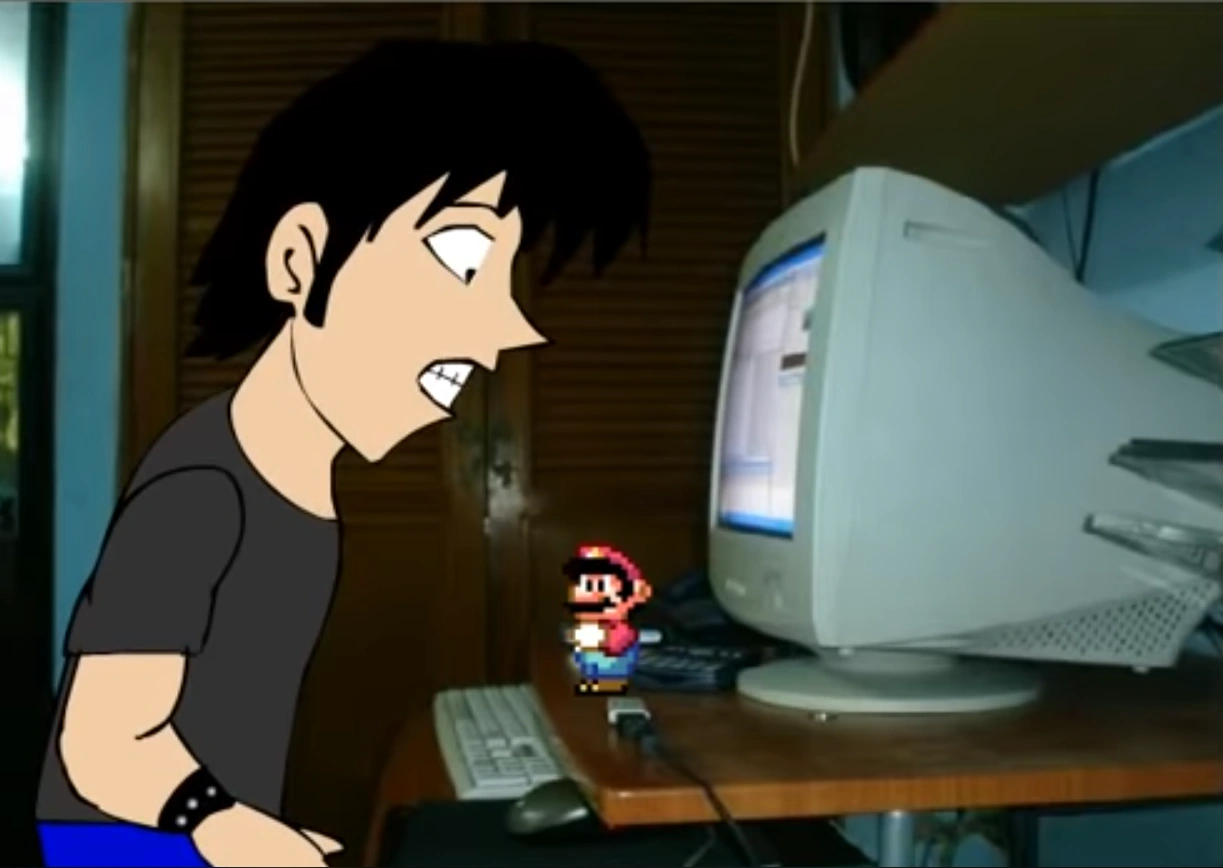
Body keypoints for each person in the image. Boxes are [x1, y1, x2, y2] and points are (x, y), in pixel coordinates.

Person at [35, 39, 651, 868]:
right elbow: (101, 741)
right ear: (298, 260)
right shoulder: (202, 489)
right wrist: (222, 825)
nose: (509, 329)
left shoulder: (298, 478)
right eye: (461, 259)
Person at [564, 544, 653, 695]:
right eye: (584, 584)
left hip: (612, 675)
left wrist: (601, 638)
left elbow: (617, 643)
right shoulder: (589, 622)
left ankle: (610, 683)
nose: (586, 595)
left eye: (599, 585)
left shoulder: (620, 629)